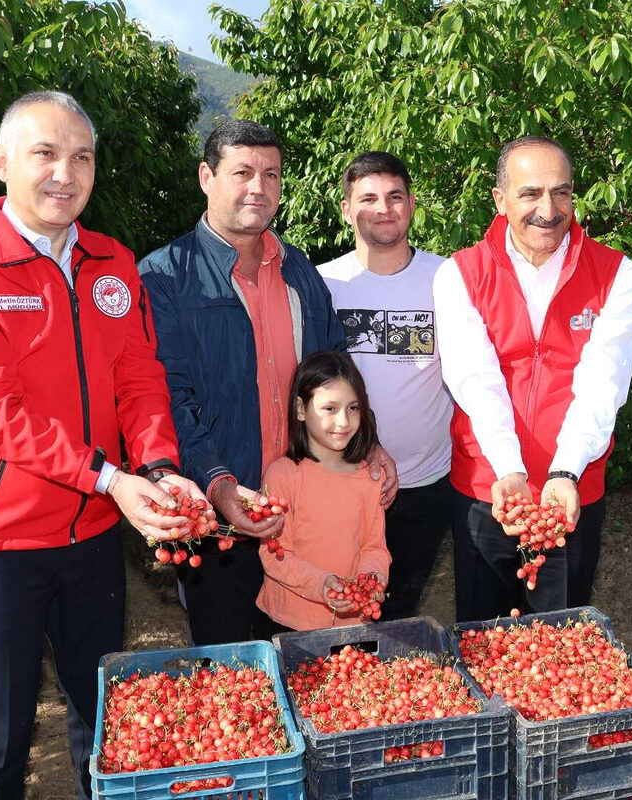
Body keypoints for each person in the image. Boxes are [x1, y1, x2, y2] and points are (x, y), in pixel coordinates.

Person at [0, 90, 205, 799]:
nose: (64, 174)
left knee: (102, 728)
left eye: (82, 157)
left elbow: (138, 379)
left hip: (94, 538)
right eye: (45, 153)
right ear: (1, 161)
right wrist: (109, 478)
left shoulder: (112, 264)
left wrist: (158, 466)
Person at [138, 121, 397, 646]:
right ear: (207, 177)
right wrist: (219, 484)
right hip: (224, 513)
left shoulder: (299, 270)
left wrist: (369, 442)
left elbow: (337, 369)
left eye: (271, 174)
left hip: (307, 506)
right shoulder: (164, 278)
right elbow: (168, 399)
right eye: (242, 172)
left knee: (313, 659)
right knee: (235, 666)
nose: (258, 186)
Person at [433, 135, 632, 621]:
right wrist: (509, 469)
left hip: (571, 491)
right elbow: (475, 378)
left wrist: (565, 470)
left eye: (561, 192)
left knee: (558, 642)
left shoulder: (617, 275)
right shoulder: (461, 274)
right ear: (500, 199)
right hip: (487, 487)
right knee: (483, 640)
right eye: (530, 193)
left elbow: (602, 384)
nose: (547, 209)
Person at [317, 152, 452, 619]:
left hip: (426, 482)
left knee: (399, 609)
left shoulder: (447, 279)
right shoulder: (323, 284)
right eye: (368, 198)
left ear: (412, 205)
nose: (384, 208)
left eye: (395, 197)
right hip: (344, 478)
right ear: (346, 209)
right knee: (341, 606)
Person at [255, 351, 391, 634]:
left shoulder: (370, 476)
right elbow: (275, 555)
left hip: (354, 622)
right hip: (288, 622)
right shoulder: (282, 475)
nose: (343, 422)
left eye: (353, 408)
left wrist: (372, 578)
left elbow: (374, 546)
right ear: (301, 409)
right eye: (330, 408)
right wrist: (322, 584)